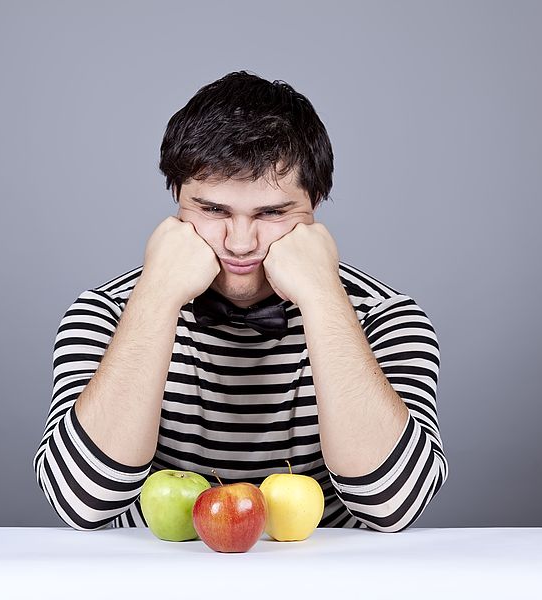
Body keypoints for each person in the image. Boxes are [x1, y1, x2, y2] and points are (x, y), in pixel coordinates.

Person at [32, 70, 448, 532]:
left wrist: (323, 298)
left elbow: (392, 506)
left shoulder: (386, 318)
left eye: (272, 213)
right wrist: (156, 297)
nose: (241, 242)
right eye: (213, 210)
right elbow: (82, 503)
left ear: (317, 203)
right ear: (176, 197)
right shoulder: (104, 313)